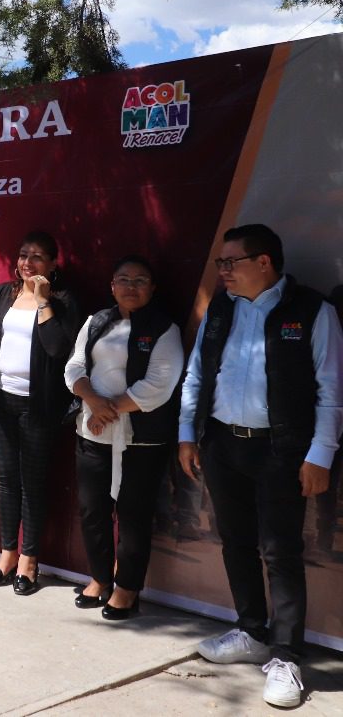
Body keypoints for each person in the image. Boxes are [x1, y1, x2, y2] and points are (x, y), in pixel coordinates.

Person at [178, 224, 343, 709]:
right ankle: (251, 631)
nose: (223, 271)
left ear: (265, 262)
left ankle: (286, 656)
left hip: (282, 451)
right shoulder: (221, 308)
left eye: (231, 262)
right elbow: (197, 373)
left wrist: (320, 454)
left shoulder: (312, 312)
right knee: (235, 542)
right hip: (224, 445)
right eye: (220, 264)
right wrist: (188, 434)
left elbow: (333, 391)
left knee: (281, 552)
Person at [0, 231, 81, 595]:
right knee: (7, 482)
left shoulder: (64, 300)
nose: (27, 263)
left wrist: (42, 303)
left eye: (37, 257)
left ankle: (30, 561)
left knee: (33, 484)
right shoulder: (2, 294)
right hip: (1, 404)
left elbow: (57, 348)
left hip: (39, 407)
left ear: (53, 264)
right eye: (23, 255)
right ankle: (6, 556)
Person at [64, 255, 184, 620]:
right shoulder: (96, 321)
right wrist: (94, 404)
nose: (131, 287)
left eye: (140, 280)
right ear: (111, 285)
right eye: (123, 280)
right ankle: (100, 578)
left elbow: (159, 385)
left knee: (133, 516)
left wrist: (108, 410)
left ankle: (128, 589)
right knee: (92, 510)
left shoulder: (165, 328)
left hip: (140, 440)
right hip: (93, 433)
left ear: (153, 288)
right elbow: (74, 367)